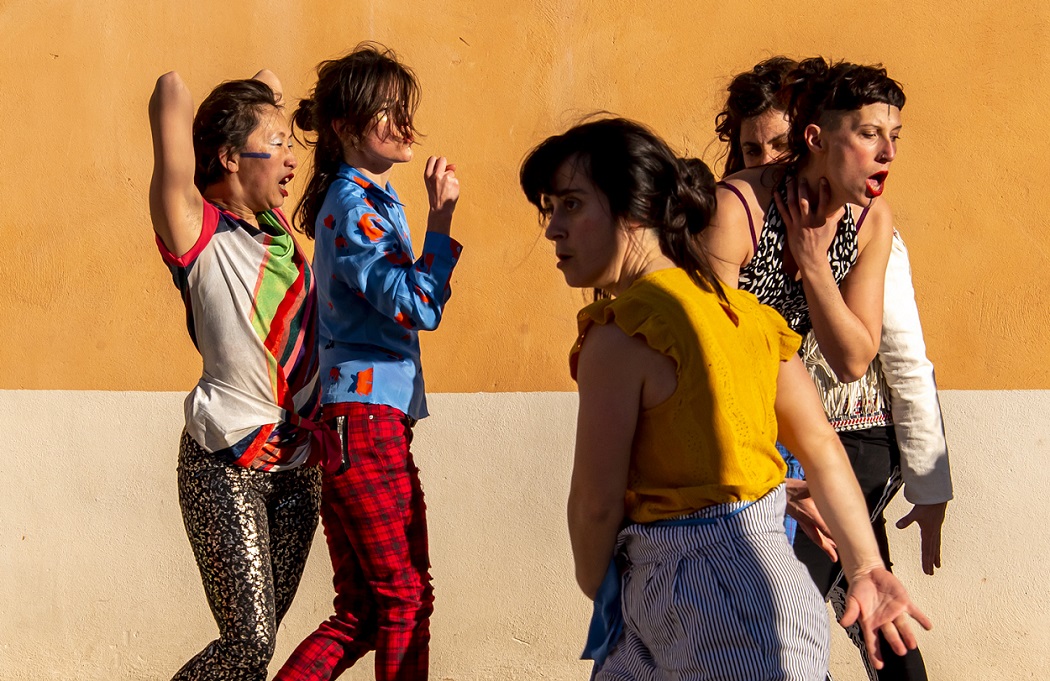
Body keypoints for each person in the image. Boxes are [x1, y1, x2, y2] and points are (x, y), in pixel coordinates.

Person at [519, 116, 930, 680]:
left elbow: (595, 503)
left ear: (634, 209)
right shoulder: (755, 321)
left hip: (688, 596)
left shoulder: (620, 335)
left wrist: (600, 586)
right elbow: (822, 449)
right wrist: (865, 566)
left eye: (570, 205)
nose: (553, 230)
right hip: (772, 587)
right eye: (550, 208)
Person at [706, 57, 949, 680]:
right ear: (820, 139)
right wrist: (771, 488)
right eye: (871, 135)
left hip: (814, 437)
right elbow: (702, 365)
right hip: (725, 447)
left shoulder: (870, 220)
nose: (888, 153)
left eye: (895, 137)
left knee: (863, 605)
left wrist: (814, 266)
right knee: (763, 636)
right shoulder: (739, 207)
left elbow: (854, 358)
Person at [274, 43, 462, 681]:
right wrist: (441, 222)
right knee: (404, 600)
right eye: (388, 113)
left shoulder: (364, 203)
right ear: (346, 129)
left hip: (357, 420)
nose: (405, 125)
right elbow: (417, 306)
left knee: (362, 609)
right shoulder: (357, 211)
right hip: (368, 421)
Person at [149, 69, 327, 680]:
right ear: (228, 157)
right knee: (246, 644)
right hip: (226, 462)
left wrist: (266, 113)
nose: (291, 160)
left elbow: (268, 84)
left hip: (301, 468)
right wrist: (243, 114)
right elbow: (172, 90)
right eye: (277, 145)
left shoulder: (276, 232)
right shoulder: (195, 229)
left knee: (255, 654)